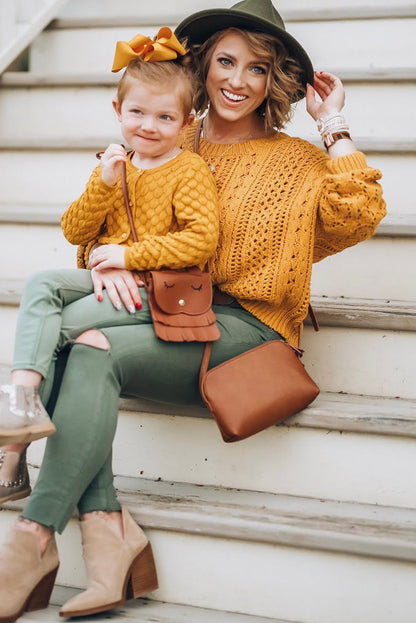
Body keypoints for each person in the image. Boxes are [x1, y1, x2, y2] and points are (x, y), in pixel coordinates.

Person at [0, 0, 386, 621]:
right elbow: (94, 230)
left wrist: (332, 124)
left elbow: (358, 215)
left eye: (257, 69)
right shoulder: (167, 132)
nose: (237, 81)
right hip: (163, 308)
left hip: (244, 328)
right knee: (86, 343)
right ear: (203, 66)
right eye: (226, 62)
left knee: (73, 335)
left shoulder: (295, 161)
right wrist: (116, 255)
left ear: (275, 80)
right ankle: (96, 537)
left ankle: (33, 532)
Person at [0, 29, 219, 502]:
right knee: (41, 284)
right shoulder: (113, 162)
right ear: (118, 112)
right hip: (109, 283)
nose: (148, 126)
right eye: (137, 112)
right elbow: (76, 231)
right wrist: (103, 182)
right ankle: (19, 403)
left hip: (157, 291)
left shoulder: (188, 170)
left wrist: (126, 256)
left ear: (185, 124)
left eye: (165, 117)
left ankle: (12, 457)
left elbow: (202, 240)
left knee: (60, 330)